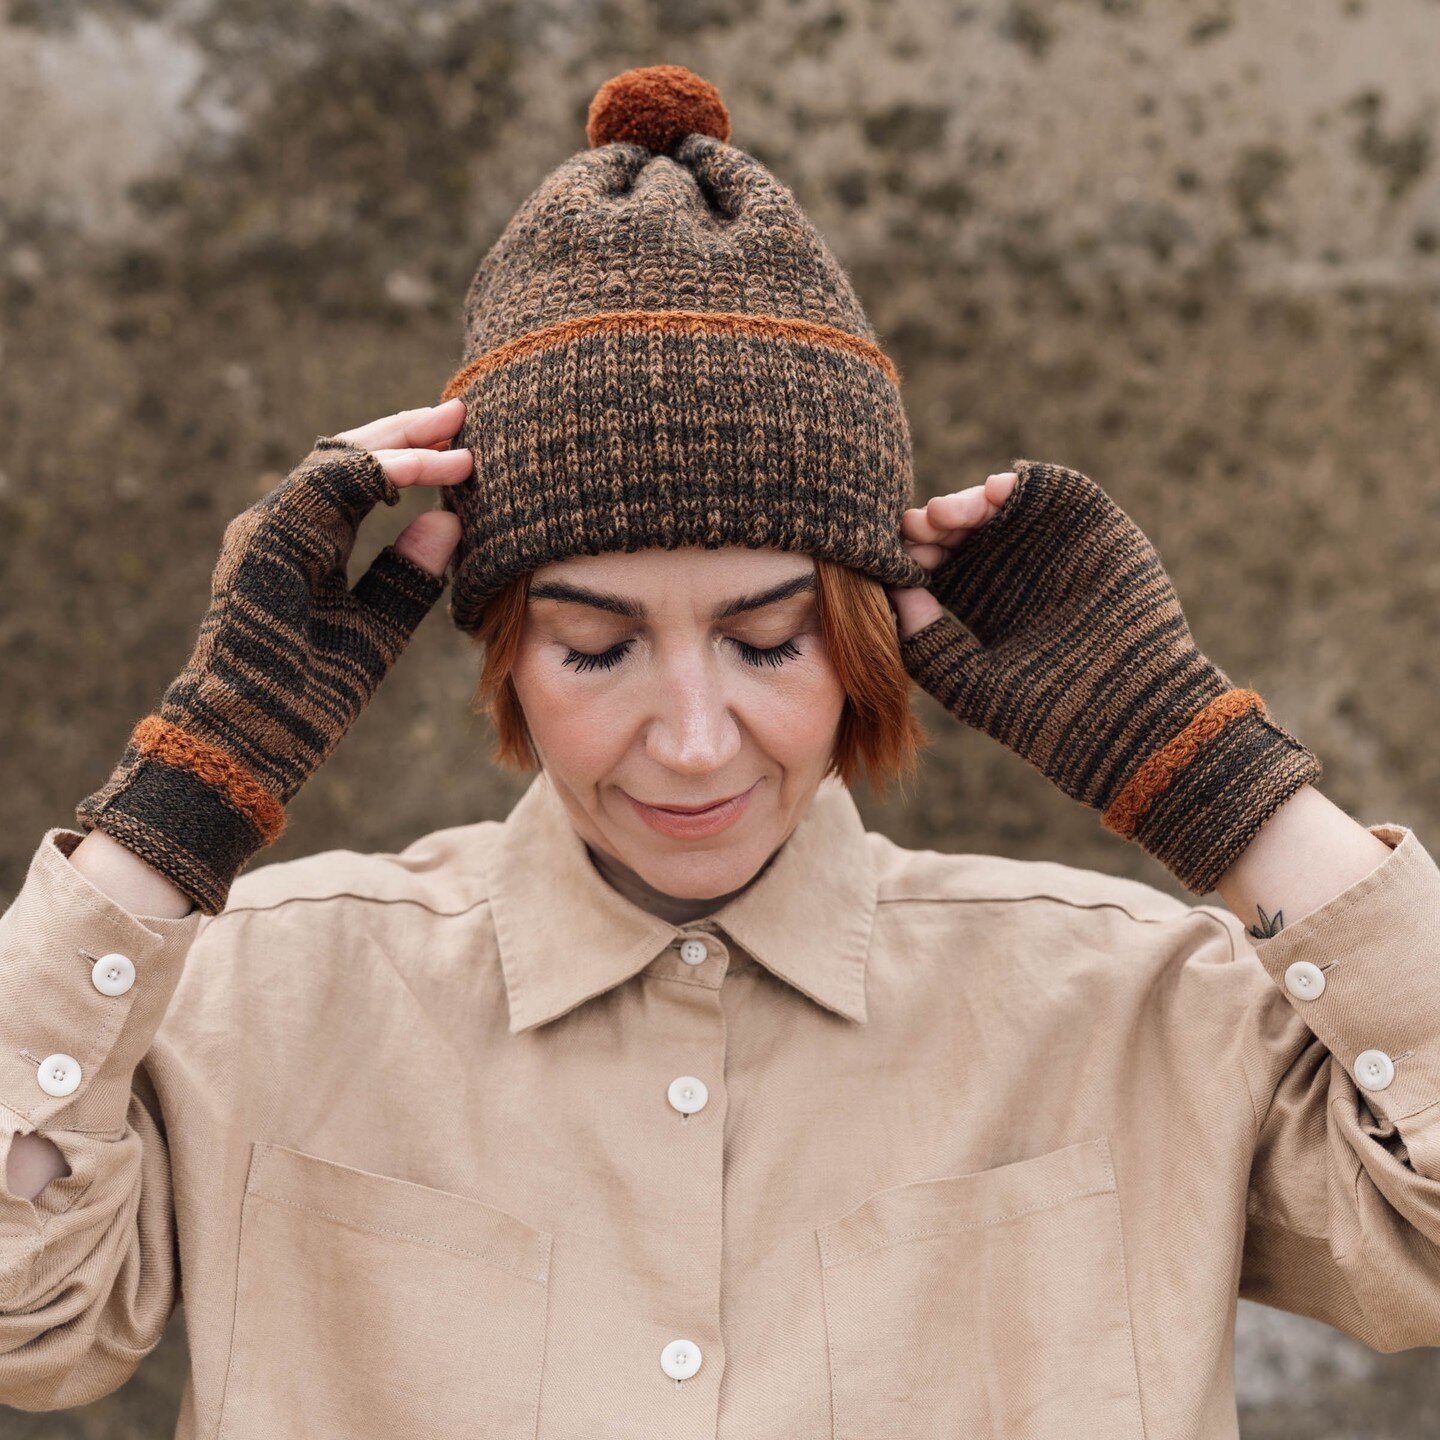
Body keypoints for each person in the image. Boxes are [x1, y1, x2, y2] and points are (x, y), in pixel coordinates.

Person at [3, 62, 1439, 1440]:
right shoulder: (256, 1001)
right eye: (597, 646)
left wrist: (1218, 783)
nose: (693, 743)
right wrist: (188, 785)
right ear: (502, 647)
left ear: (869, 637)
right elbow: (28, 1324)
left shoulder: (1142, 1014)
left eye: (769, 641)